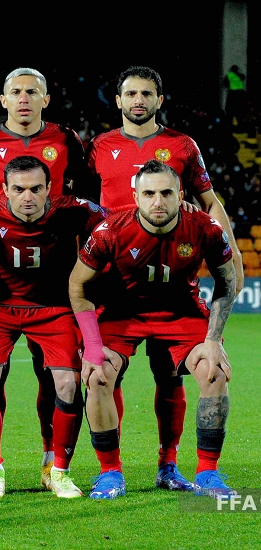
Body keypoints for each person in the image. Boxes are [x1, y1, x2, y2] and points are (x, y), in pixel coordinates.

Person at [82, 65, 244, 492]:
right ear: (118, 100)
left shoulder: (182, 145)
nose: (139, 100)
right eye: (131, 93)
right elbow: (79, 203)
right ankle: (110, 472)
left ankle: (171, 466)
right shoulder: (99, 146)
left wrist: (232, 251)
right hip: (116, 283)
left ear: (159, 99)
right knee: (103, 372)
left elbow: (209, 200)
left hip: (174, 279)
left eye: (147, 93)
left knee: (171, 376)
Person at [69, 159, 238, 499]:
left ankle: (207, 472)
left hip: (181, 312)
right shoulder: (110, 231)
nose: (158, 201)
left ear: (180, 195)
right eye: (149, 194)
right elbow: (77, 286)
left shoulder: (205, 228)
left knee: (214, 372)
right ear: (135, 196)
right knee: (98, 375)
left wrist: (213, 340)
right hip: (122, 312)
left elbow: (227, 281)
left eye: (166, 193)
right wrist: (92, 346)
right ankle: (110, 472)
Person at [0, 67, 88, 491]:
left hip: (53, 291)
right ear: (3, 100)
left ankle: (55, 465)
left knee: (58, 379)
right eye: (15, 91)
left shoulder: (66, 140)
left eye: (32, 91)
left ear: (45, 99)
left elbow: (98, 204)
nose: (23, 98)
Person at [0, 155, 110, 499]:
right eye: (18, 189)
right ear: (5, 190)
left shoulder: (74, 210)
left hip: (53, 308)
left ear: (49, 188)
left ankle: (58, 471)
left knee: (68, 384)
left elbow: (117, 224)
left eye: (35, 188)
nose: (27, 196)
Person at [223, 64, 248, 129]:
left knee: (230, 110)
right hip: (240, 93)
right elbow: (243, 77)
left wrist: (228, 88)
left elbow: (225, 83)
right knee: (240, 110)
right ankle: (240, 126)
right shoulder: (240, 75)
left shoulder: (229, 75)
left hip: (232, 93)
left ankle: (229, 126)